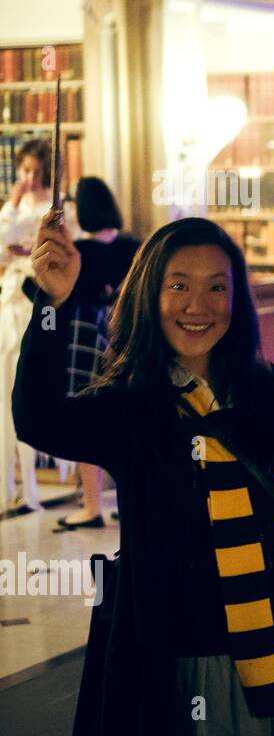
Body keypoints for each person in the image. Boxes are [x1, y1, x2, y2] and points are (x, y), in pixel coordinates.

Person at [17, 213, 274, 736]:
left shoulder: (270, 390)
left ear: (236, 299)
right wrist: (51, 304)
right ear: (150, 294)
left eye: (217, 288)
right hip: (200, 661)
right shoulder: (133, 405)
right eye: (179, 286)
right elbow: (38, 419)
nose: (198, 305)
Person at [52, 176, 142, 531]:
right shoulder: (134, 246)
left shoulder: (79, 253)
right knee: (128, 418)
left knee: (86, 419)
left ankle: (91, 506)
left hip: (86, 340)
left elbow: (45, 294)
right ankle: (129, 501)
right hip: (128, 338)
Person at [0, 138, 53, 513]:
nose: (30, 178)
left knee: (29, 384)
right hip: (10, 298)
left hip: (36, 298)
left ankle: (33, 484)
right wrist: (14, 202)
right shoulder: (14, 206)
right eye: (25, 171)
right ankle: (12, 484)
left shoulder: (54, 204)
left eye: (35, 172)